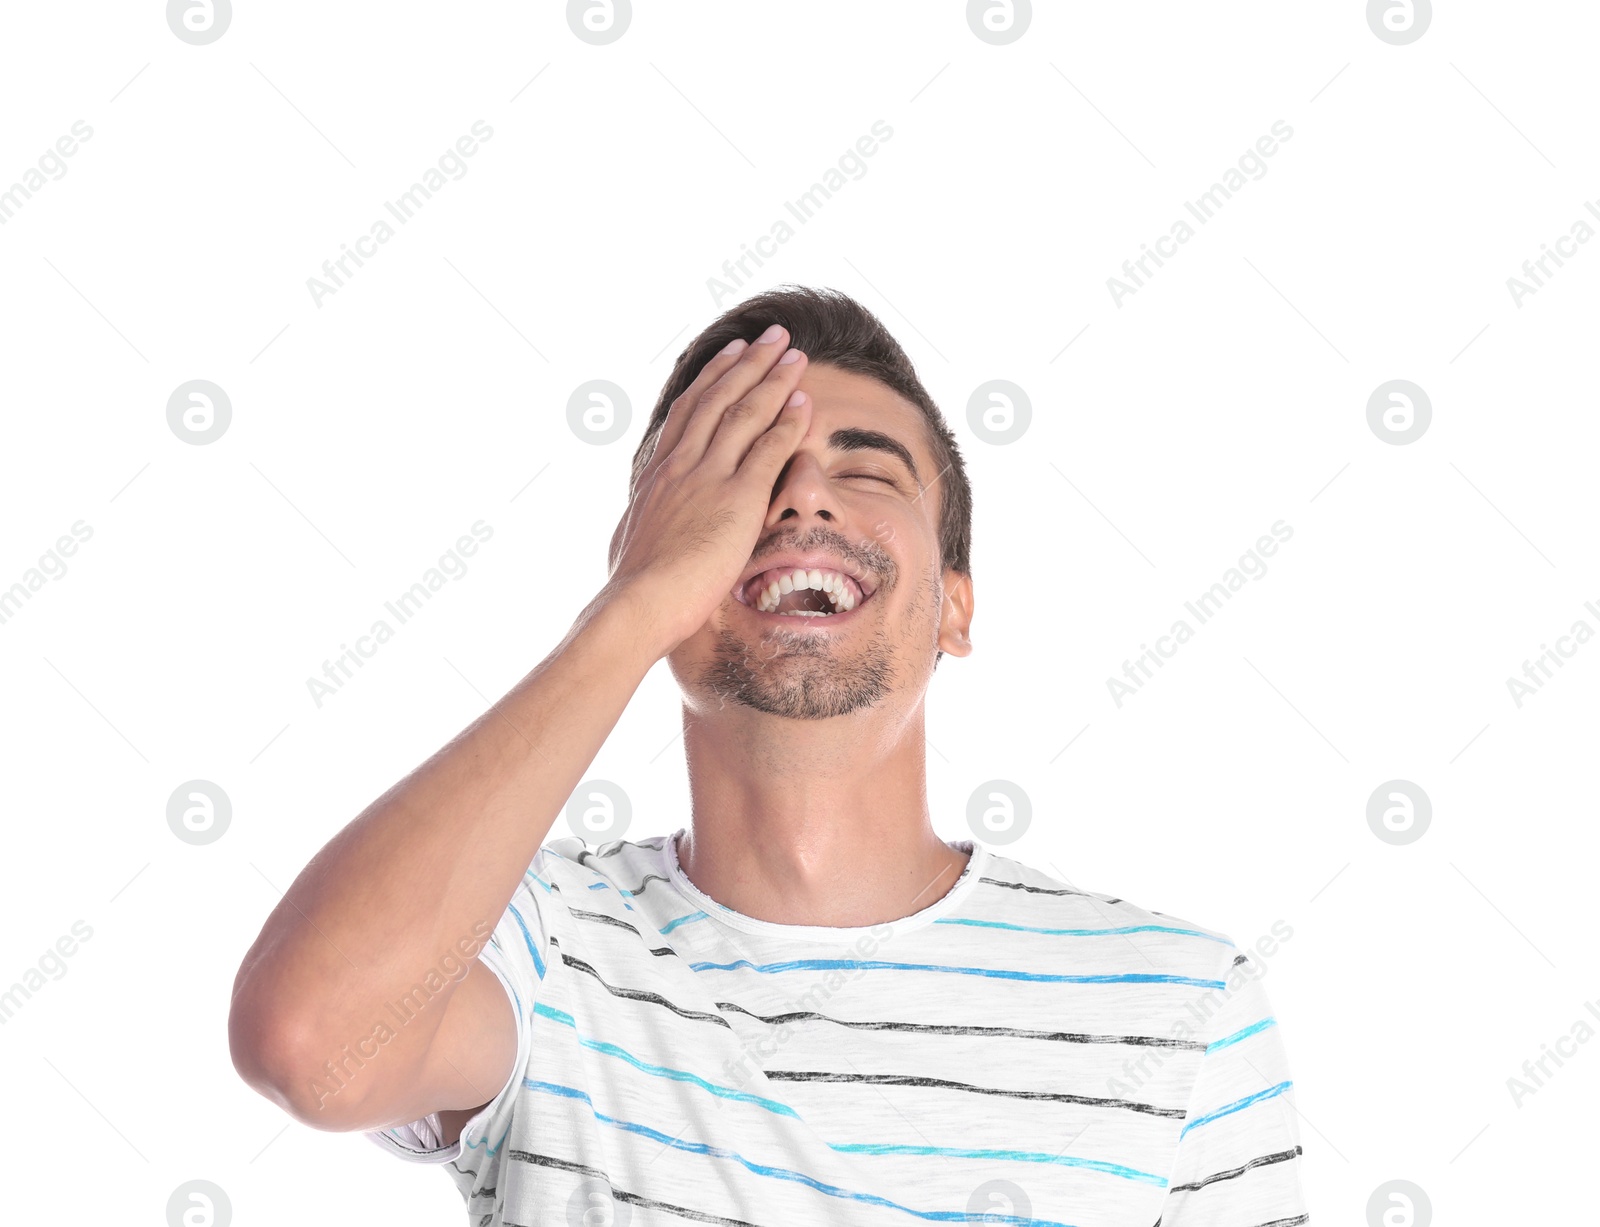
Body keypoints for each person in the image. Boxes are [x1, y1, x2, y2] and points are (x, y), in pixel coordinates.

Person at [228, 285, 1309, 1226]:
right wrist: (634, 605)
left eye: (867, 469)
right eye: (738, 482)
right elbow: (307, 1040)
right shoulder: (532, 948)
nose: (798, 497)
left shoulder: (1179, 1004)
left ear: (956, 605)